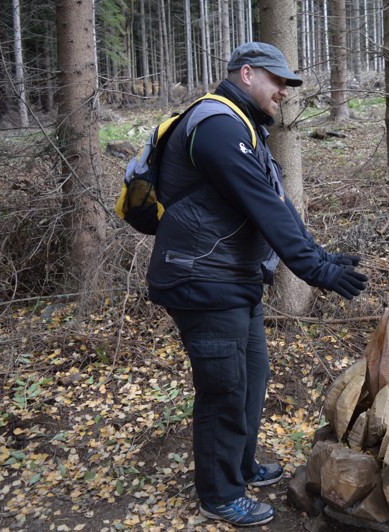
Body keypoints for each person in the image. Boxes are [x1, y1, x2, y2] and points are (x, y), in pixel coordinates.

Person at [146, 42, 367, 527]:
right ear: (247, 74)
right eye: (278, 80)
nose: (285, 91)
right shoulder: (218, 126)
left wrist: (323, 258)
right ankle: (220, 493)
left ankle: (239, 465)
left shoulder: (244, 130)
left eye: (289, 83)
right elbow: (265, 208)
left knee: (252, 377)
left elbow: (279, 204)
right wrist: (316, 271)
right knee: (224, 389)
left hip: (230, 279)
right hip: (200, 280)